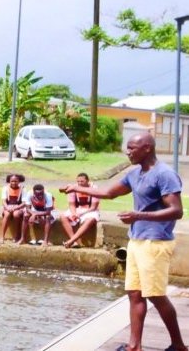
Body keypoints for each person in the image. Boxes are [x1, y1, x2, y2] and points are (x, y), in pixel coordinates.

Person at [61, 133, 186, 351]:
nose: (128, 152)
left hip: (155, 243)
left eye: (132, 148)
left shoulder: (164, 174)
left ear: (147, 148)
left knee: (155, 295)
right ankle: (134, 346)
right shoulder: (134, 173)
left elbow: (176, 211)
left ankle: (178, 345)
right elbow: (109, 193)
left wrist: (138, 215)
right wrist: (77, 188)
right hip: (136, 240)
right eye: (127, 148)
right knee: (134, 293)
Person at [60, 172, 102, 248]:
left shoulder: (94, 188)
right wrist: (74, 213)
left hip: (90, 210)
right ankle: (74, 241)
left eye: (82, 181)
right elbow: (72, 204)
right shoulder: (74, 188)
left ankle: (71, 241)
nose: (80, 183)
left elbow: (93, 207)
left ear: (87, 181)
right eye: (78, 181)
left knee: (90, 220)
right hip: (78, 209)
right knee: (63, 216)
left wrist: (80, 214)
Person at [0, 173, 28, 244]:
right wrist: (7, 207)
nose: (14, 183)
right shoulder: (5, 188)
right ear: (9, 181)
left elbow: (24, 203)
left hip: (19, 207)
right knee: (7, 214)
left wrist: (16, 207)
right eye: (12, 181)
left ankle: (17, 235)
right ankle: (2, 236)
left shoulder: (23, 189)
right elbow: (3, 201)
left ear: (19, 181)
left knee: (16, 215)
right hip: (8, 206)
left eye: (16, 181)